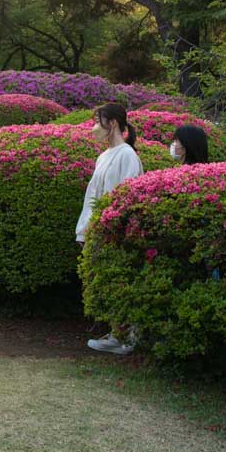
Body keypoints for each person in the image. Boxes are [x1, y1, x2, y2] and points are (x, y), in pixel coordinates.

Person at [79, 103, 144, 356]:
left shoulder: (126, 155)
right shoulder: (104, 155)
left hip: (113, 231)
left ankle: (127, 336)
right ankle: (118, 333)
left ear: (113, 124)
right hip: (98, 229)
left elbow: (122, 197)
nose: (94, 128)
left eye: (98, 122)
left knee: (120, 281)